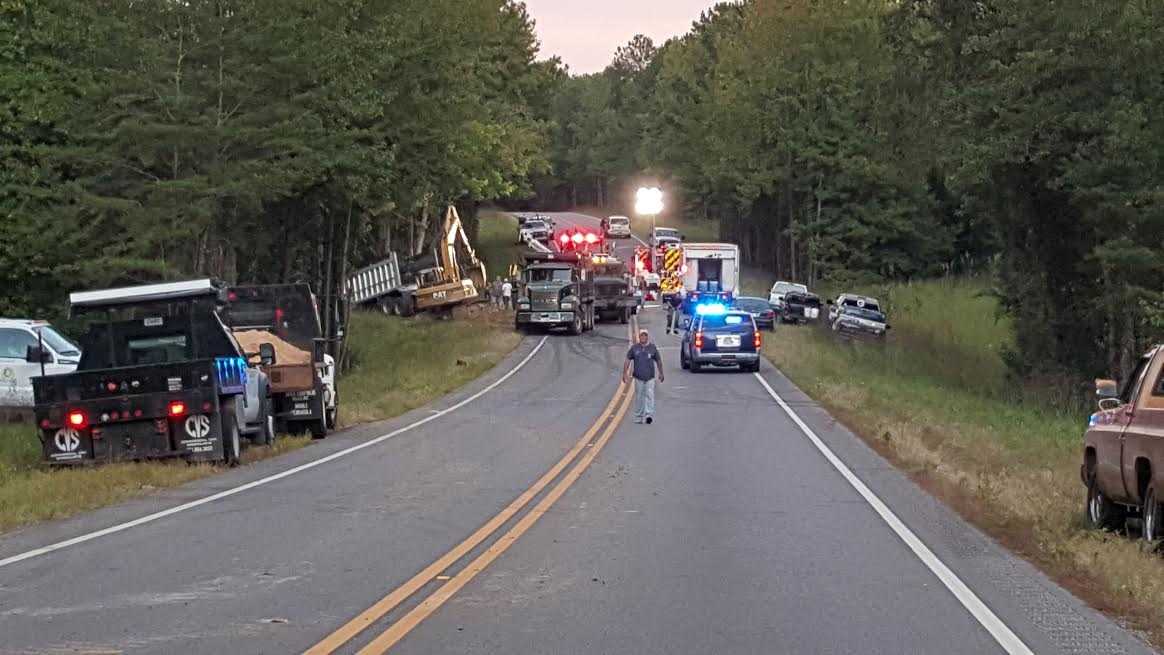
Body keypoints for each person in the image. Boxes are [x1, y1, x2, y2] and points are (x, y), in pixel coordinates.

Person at [623, 329, 664, 425]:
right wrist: (624, 373)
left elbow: (658, 361)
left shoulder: (652, 348)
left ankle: (649, 415)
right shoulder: (634, 348)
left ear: (647, 337)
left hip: (650, 377)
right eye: (641, 335)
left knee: (650, 395)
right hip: (638, 377)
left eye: (645, 335)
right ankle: (639, 416)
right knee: (639, 396)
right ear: (639, 337)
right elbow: (627, 360)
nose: (643, 337)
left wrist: (661, 373)